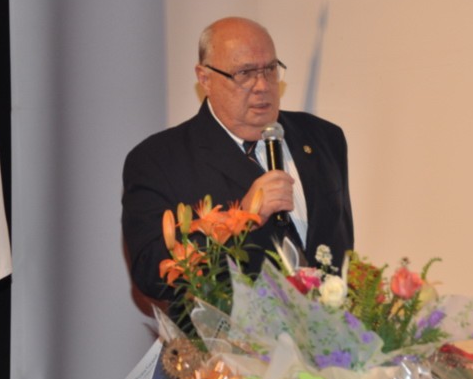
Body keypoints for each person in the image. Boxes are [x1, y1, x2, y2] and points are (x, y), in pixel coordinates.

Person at [122, 17, 353, 305]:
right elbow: (150, 273)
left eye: (270, 69)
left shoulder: (323, 138)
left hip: (328, 330)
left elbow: (341, 252)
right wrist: (242, 218)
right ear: (205, 78)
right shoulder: (159, 160)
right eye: (244, 73)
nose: (262, 85)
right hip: (229, 332)